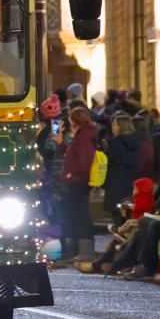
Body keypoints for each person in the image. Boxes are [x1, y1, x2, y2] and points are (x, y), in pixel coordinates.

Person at [59, 106, 98, 262]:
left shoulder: (84, 137)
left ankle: (83, 252)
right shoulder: (85, 134)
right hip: (78, 181)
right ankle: (81, 251)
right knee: (79, 214)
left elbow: (82, 161)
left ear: (75, 122)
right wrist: (61, 144)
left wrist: (71, 174)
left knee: (79, 215)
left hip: (78, 182)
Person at [104, 114, 141, 224]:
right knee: (128, 216)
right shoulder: (135, 143)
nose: (112, 126)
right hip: (129, 185)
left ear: (120, 127)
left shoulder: (115, 144)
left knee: (118, 218)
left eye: (114, 124)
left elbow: (108, 160)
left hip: (115, 185)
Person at [36, 94, 66, 227]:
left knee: (55, 204)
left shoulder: (54, 126)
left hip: (54, 169)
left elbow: (52, 147)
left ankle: (57, 231)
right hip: (55, 168)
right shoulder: (57, 124)